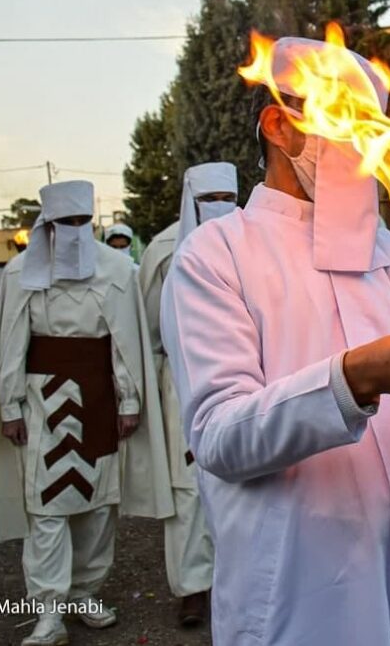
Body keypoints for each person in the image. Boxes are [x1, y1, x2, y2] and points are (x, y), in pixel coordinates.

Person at [160, 37, 390, 645]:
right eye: (347, 121)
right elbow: (220, 438)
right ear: (280, 125)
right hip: (304, 580)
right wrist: (359, 376)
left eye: (375, 126)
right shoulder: (217, 254)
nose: (369, 144)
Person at [0, 180, 173, 646]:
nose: (75, 231)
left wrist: (129, 400)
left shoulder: (117, 269)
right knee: (45, 508)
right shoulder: (22, 272)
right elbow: (11, 344)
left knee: (99, 505)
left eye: (83, 221)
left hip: (99, 399)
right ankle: (49, 611)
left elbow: (123, 342)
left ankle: (85, 592)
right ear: (49, 226)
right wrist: (8, 405)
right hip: (42, 400)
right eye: (66, 223)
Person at [138, 161, 237, 627]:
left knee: (241, 476)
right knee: (187, 490)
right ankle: (193, 586)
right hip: (180, 383)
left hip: (243, 374)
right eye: (209, 200)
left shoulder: (251, 239)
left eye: (228, 199)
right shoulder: (162, 250)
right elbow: (148, 322)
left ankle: (236, 578)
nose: (220, 209)